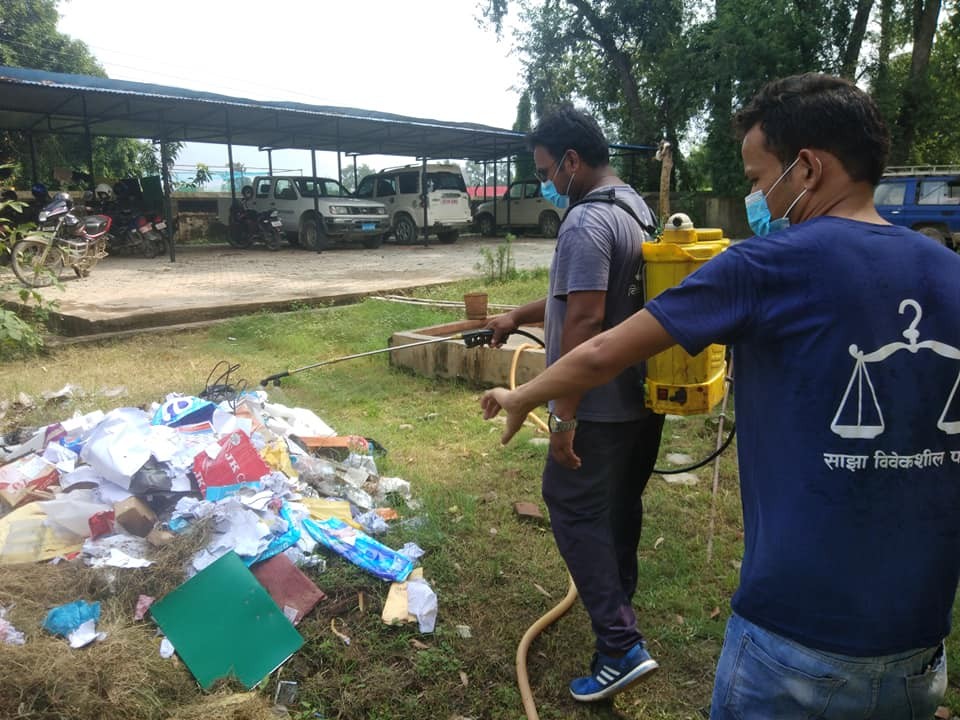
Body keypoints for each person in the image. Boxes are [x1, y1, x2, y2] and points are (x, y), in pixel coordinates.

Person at [481, 73, 960, 719]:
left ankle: (617, 639)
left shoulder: (765, 265)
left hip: (792, 642)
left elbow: (598, 346)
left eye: (760, 179)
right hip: (921, 648)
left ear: (809, 167)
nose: (756, 197)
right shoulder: (950, 275)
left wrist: (526, 397)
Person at [484, 103, 665, 703]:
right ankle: (619, 609)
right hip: (639, 401)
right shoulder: (634, 208)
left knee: (570, 503)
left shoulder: (585, 222)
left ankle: (618, 645)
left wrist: (564, 417)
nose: (545, 183)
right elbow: (581, 296)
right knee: (617, 509)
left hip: (600, 407)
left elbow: (586, 319)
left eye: (544, 170)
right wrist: (517, 315)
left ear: (570, 160)